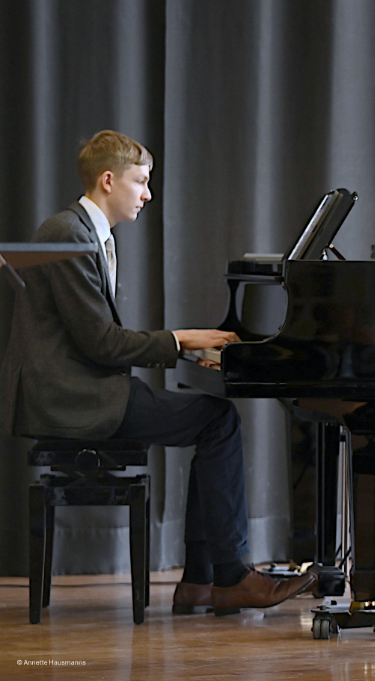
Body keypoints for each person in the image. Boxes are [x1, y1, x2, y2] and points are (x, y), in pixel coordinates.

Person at [0, 130, 314, 616]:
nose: (147, 194)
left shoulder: (84, 233)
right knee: (217, 420)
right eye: (140, 182)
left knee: (213, 419)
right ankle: (226, 577)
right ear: (109, 180)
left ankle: (200, 581)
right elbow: (101, 343)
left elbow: (96, 338)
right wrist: (183, 339)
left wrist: (185, 342)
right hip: (69, 398)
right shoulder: (69, 235)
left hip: (76, 387)